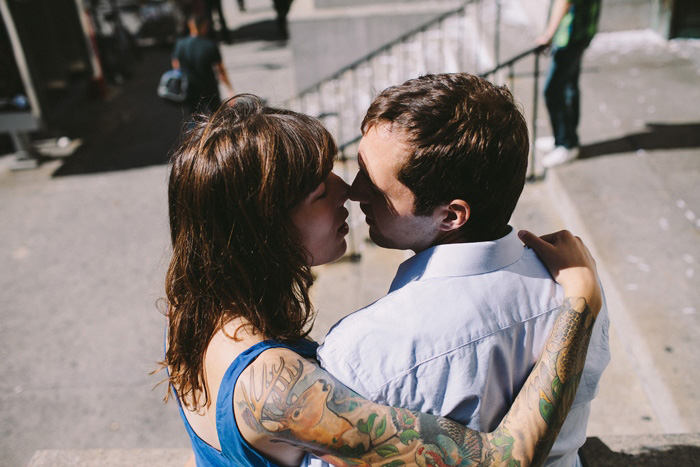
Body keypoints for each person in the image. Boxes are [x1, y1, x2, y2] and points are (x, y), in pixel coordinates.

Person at [162, 94, 604, 467]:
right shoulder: (276, 388)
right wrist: (581, 304)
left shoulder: (197, 307)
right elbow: (502, 459)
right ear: (267, 230)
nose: (346, 191)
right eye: (319, 191)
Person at [314, 74, 610, 467]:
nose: (354, 191)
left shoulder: (364, 350)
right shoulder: (575, 286)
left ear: (451, 216)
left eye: (375, 183)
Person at [536, 0, 602, 167]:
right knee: (569, 85)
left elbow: (563, 2)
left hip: (570, 34)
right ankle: (564, 135)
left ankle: (567, 143)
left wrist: (547, 35)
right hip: (583, 31)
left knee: (552, 90)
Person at [172, 14, 234, 115]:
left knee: (194, 117)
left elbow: (176, 65)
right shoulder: (209, 45)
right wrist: (230, 90)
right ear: (204, 26)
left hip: (190, 88)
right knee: (216, 117)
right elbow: (221, 71)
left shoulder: (180, 45)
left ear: (190, 25)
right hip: (209, 87)